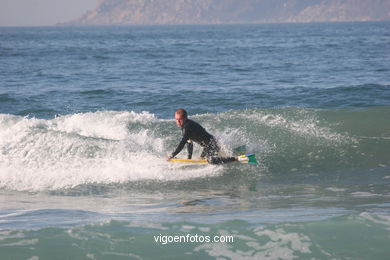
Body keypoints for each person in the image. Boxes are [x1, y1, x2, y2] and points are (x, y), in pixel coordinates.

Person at [167, 109, 237, 164]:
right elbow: (189, 142)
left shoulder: (187, 126)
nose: (178, 122)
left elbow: (182, 143)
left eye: (180, 119)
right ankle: (226, 156)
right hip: (207, 147)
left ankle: (234, 159)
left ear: (185, 118)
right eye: (176, 119)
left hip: (211, 144)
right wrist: (189, 158)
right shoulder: (184, 126)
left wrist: (172, 155)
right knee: (201, 160)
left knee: (210, 160)